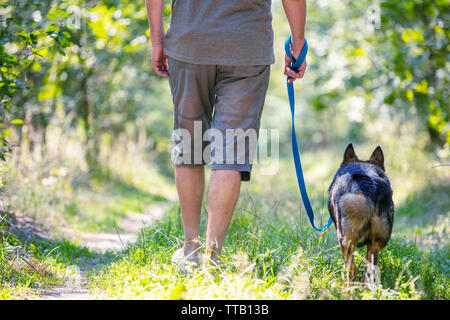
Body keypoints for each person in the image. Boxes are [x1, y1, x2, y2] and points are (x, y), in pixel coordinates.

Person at [145, 0, 307, 267]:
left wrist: (157, 41)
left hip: (189, 43)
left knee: (190, 143)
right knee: (232, 151)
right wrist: (297, 42)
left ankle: (190, 251)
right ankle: (213, 257)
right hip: (247, 48)